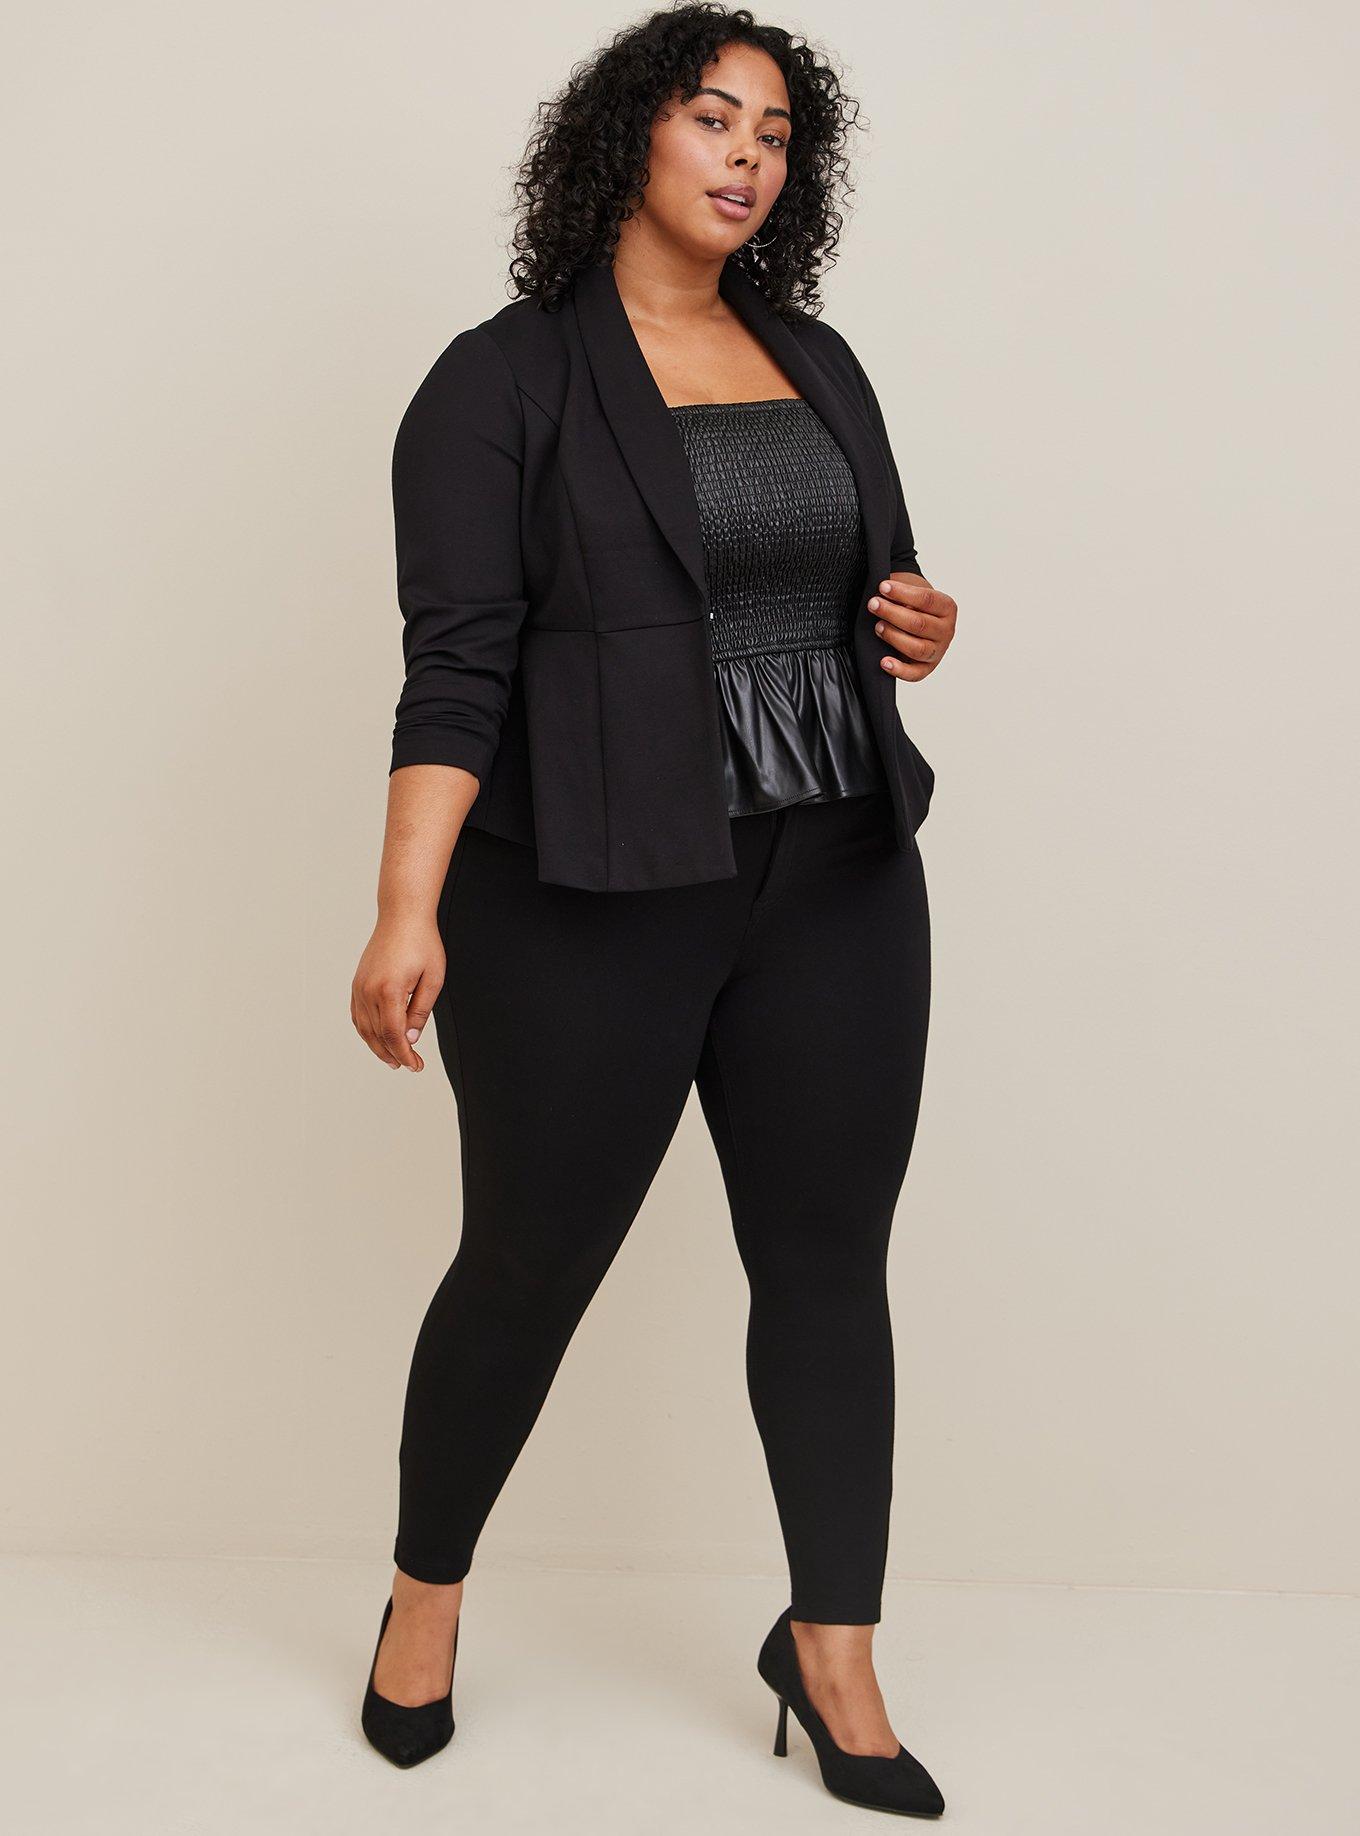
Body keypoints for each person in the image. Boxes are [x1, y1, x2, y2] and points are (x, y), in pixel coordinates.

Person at [350, 8, 958, 1814]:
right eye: (712, 117)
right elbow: (456, 667)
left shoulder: (815, 358)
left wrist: (915, 621)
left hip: (835, 871)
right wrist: (404, 908)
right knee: (527, 1266)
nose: (746, 155)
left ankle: (832, 1651)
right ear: (630, 135)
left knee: (829, 1267)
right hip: (586, 889)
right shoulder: (500, 381)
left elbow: (850, 592)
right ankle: (423, 1597)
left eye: (774, 133)